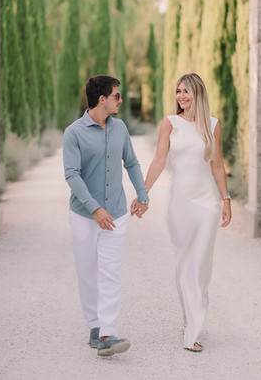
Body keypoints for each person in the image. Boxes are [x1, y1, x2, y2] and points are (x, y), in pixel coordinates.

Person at [131, 72, 231, 352]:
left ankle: (193, 329)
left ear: (198, 94)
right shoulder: (170, 123)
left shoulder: (213, 125)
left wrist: (226, 199)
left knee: (201, 263)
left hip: (207, 203)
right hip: (180, 203)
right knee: (185, 263)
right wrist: (143, 193)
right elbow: (159, 160)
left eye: (186, 91)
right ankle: (191, 322)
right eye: (178, 91)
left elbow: (218, 165)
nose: (181, 97)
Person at [63, 75, 149, 357]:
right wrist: (94, 208)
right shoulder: (73, 133)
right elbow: (72, 175)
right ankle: (94, 326)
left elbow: (132, 162)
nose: (120, 101)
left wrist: (143, 193)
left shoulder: (120, 128)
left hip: (117, 213)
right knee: (88, 272)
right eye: (116, 96)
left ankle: (107, 333)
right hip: (84, 216)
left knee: (111, 272)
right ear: (101, 99)